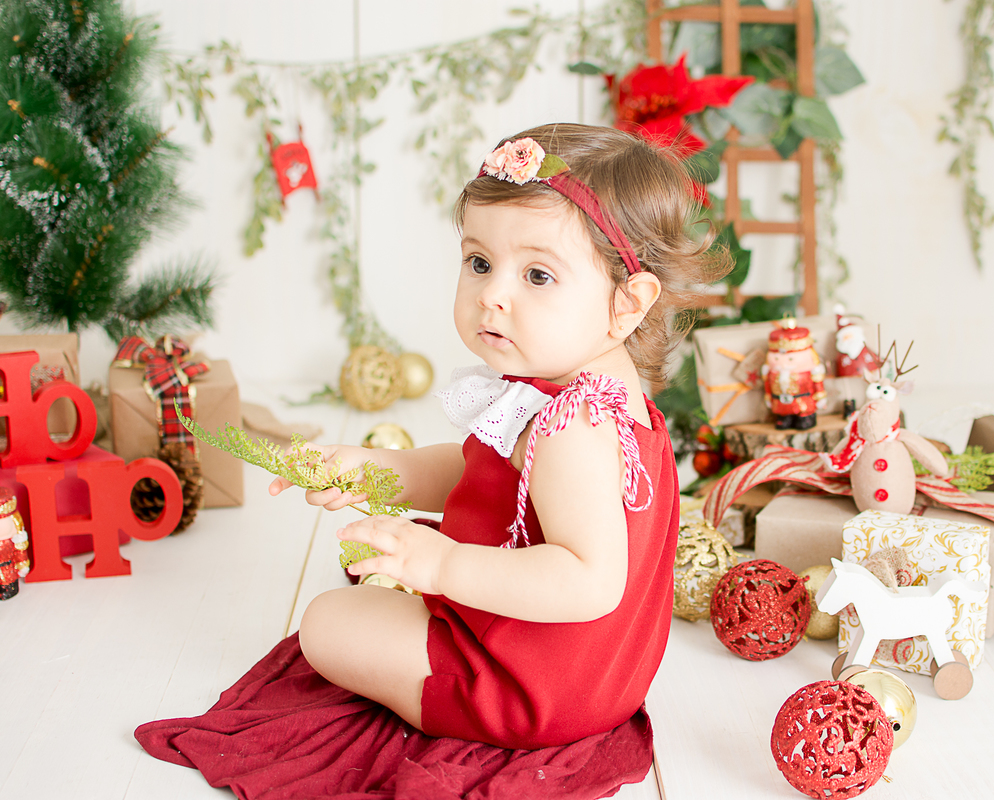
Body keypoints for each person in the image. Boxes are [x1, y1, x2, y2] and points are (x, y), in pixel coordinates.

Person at [269, 123, 728, 750]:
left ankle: (454, 691)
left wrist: (445, 564)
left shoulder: (575, 426)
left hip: (528, 687)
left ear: (627, 302)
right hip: (588, 673)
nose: (492, 296)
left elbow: (589, 581)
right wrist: (374, 469)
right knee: (373, 590)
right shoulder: (578, 390)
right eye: (480, 263)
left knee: (327, 623)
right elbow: (479, 475)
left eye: (537, 276)